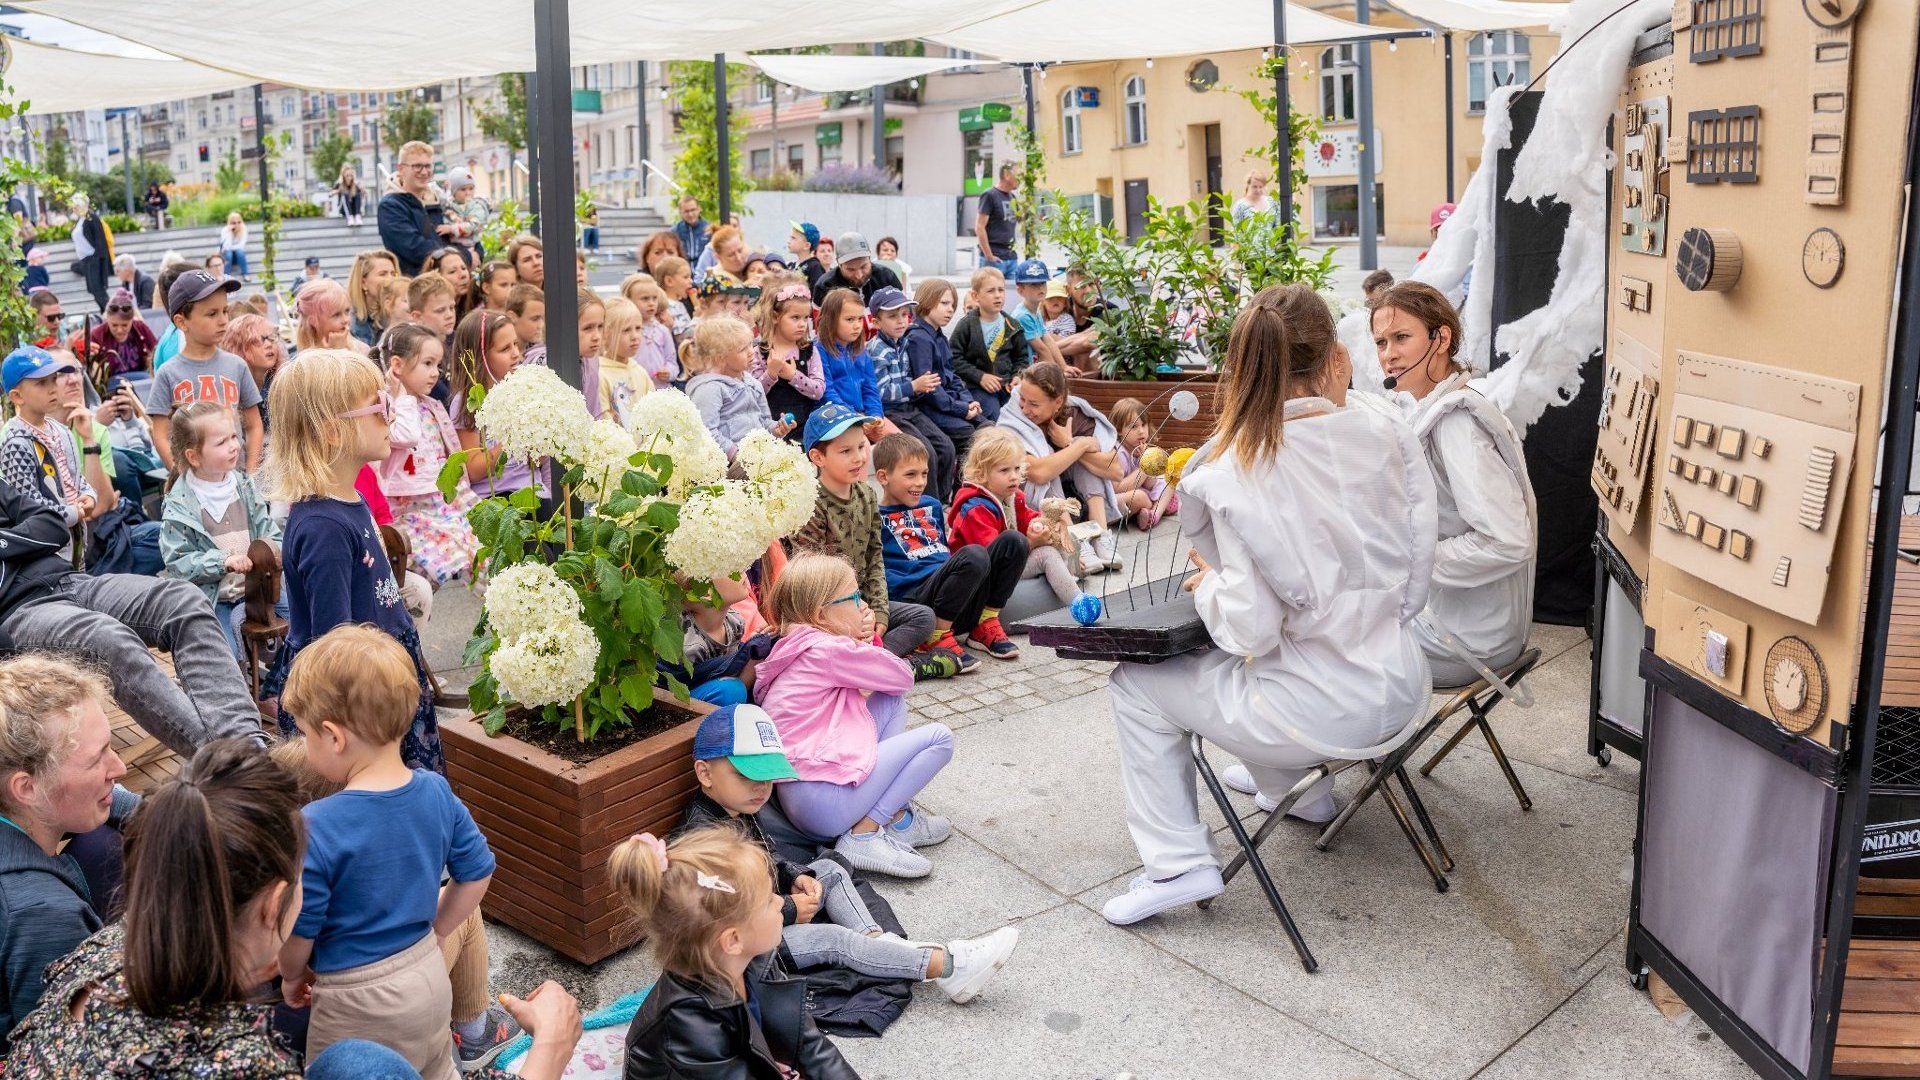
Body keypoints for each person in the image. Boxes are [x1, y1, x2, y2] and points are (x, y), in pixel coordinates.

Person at [1099, 283, 1439, 925]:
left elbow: (1249, 631)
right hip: (1400, 686)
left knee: (1137, 684)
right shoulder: (1385, 429)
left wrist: (1212, 584)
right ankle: (1299, 795)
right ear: (1336, 354)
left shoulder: (1238, 471)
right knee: (1263, 663)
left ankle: (1176, 863)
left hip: (1319, 714)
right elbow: (1416, 577)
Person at [4, 739, 585, 1080]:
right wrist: (549, 1054)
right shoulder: (243, 1063)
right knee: (361, 1064)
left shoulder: (100, 956)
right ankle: (480, 1036)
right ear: (277, 902)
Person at [675, 705, 1019, 1003]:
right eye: (748, 775)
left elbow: (767, 857)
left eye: (768, 777)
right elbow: (722, 914)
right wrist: (791, 909)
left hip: (767, 906)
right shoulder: (705, 841)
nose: (760, 787)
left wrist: (794, 875)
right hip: (748, 946)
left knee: (829, 869)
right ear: (704, 773)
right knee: (837, 940)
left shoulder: (737, 805)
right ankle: (949, 968)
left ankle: (877, 942)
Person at [277, 626, 503, 1077]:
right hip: (427, 979)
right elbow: (478, 871)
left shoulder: (317, 823)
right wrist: (438, 930)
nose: (304, 744)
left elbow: (301, 925)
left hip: (355, 1001)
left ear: (333, 736)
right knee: (436, 1065)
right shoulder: (436, 791)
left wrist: (290, 974)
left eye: (305, 734)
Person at [0, 421, 267, 757]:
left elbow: (52, 525)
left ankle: (247, 746)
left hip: (68, 581)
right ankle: (234, 765)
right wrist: (22, 540)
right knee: (106, 639)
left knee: (182, 599)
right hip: (16, 616)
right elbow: (42, 527)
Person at [263, 348, 446, 774]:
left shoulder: (351, 500)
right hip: (357, 703)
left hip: (378, 679)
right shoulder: (324, 527)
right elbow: (335, 650)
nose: (391, 418)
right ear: (331, 432)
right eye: (380, 407)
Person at [1370, 280, 1535, 687]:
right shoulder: (1435, 409)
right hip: (1452, 620)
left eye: (1401, 338)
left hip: (1468, 642)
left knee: (1315, 637)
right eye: (1380, 342)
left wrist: (1410, 562)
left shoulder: (1458, 423)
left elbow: (1508, 541)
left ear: (1440, 338)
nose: (1389, 354)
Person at [756, 553, 953, 878]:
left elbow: (891, 687)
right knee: (940, 739)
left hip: (804, 797)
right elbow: (902, 674)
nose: (863, 606)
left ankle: (896, 819)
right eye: (854, 597)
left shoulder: (796, 643)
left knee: (891, 701)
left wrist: (854, 637)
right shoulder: (827, 649)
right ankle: (866, 831)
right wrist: (862, 638)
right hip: (824, 801)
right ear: (821, 614)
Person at [612, 826, 861, 1079]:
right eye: (767, 900)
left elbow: (809, 1044)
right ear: (733, 940)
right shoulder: (687, 1019)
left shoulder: (756, 958)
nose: (780, 901)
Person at [0, 655, 137, 1053]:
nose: (121, 766)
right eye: (98, 758)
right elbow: (59, 1056)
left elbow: (123, 802)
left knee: (101, 839)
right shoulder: (43, 915)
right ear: (26, 788)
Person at [790, 403, 950, 676]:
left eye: (861, 447)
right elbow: (811, 576)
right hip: (828, 607)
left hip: (863, 603)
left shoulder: (866, 495)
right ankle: (881, 665)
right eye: (845, 451)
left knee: (923, 618)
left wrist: (879, 610)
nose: (859, 458)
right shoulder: (809, 503)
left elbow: (875, 557)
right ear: (818, 457)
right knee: (834, 637)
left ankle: (871, 663)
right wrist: (853, 610)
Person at [875, 432, 1027, 662]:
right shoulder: (875, 517)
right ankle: (935, 637)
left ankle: (983, 623)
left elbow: (940, 552)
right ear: (883, 477)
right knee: (974, 554)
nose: (920, 482)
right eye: (910, 475)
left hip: (952, 600)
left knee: (1014, 541)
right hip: (918, 605)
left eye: (924, 474)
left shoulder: (933, 505)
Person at [158, 400, 287, 663]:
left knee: (300, 625)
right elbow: (178, 561)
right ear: (193, 456)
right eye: (221, 443)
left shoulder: (243, 485)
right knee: (225, 654)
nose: (234, 446)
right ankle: (234, 694)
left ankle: (272, 689)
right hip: (214, 598)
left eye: (233, 437)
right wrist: (222, 562)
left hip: (256, 590)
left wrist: (277, 551)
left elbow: (267, 530)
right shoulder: (180, 504)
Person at [379, 323, 479, 588]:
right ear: (397, 365)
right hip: (409, 504)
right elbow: (406, 436)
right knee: (438, 559)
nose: (435, 373)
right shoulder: (388, 405)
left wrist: (460, 483)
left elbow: (450, 448)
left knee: (476, 549)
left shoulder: (431, 404)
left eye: (438, 365)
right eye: (427, 363)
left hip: (441, 498)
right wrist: (400, 396)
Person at [998, 360, 1124, 572]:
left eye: (1034, 404)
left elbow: (1114, 470)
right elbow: (1037, 472)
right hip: (1038, 507)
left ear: (1057, 402)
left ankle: (1100, 534)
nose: (1026, 409)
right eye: (1023, 399)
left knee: (1087, 463)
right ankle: (1074, 541)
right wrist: (1080, 444)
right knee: (1052, 462)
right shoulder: (1014, 416)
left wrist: (1068, 443)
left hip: (1078, 500)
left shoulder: (1074, 412)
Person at [145, 270, 264, 474]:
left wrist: (251, 475)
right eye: (211, 314)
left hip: (236, 482)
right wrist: (179, 474)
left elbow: (254, 425)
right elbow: (160, 434)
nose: (223, 320)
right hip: (193, 488)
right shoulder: (168, 373)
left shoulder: (237, 366)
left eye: (225, 311)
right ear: (182, 322)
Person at [948, 427, 1083, 606]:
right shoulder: (976, 509)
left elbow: (1028, 518)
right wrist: (1032, 543)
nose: (1014, 477)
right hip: (982, 577)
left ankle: (1069, 578)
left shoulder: (1013, 496)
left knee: (1063, 539)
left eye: (1017, 468)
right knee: (1046, 554)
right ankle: (1079, 605)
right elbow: (992, 557)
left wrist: (1045, 526)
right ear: (982, 474)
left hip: (1008, 563)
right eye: (1004, 471)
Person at [866, 287, 956, 503]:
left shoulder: (904, 342)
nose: (900, 321)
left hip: (910, 409)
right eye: (892, 316)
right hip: (892, 412)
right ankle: (927, 504)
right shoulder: (877, 350)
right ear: (876, 322)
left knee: (946, 447)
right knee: (925, 452)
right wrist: (914, 386)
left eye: (904, 315)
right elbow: (882, 392)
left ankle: (942, 501)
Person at [449, 309, 545, 508]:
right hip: (492, 498)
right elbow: (473, 471)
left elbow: (535, 462)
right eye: (504, 349)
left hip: (532, 489)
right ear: (479, 357)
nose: (516, 354)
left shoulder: (521, 390)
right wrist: (511, 437)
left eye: (516, 344)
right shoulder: (469, 401)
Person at [901, 278, 984, 499]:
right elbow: (930, 389)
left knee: (988, 428)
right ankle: (955, 497)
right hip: (930, 407)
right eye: (945, 303)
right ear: (927, 302)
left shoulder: (938, 336)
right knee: (971, 437)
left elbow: (952, 375)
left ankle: (967, 495)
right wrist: (960, 409)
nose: (950, 310)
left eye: (952, 305)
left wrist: (968, 402)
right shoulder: (919, 337)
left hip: (949, 403)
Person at [686, 316, 794, 459]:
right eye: (743, 349)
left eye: (751, 344)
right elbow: (705, 431)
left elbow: (763, 421)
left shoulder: (753, 384)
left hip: (758, 456)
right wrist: (735, 454)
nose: (751, 351)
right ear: (720, 357)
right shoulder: (709, 389)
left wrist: (776, 429)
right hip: (730, 466)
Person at [948, 266, 1029, 422]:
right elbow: (954, 358)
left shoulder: (1013, 326)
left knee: (1020, 417)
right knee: (994, 418)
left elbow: (1021, 358)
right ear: (975, 295)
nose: (997, 296)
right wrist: (980, 377)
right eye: (991, 291)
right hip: (977, 388)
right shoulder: (967, 325)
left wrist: (1018, 376)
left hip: (1007, 388)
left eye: (1001, 290)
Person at [752, 278, 824, 442]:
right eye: (795, 318)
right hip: (772, 432)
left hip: (806, 432)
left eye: (805, 318)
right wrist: (770, 374)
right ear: (776, 316)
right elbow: (754, 395)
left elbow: (818, 391)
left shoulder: (810, 351)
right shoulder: (760, 352)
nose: (802, 324)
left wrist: (792, 375)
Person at [814, 287, 889, 430]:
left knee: (897, 442)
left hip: (863, 415)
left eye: (860, 319)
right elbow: (827, 393)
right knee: (865, 448)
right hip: (835, 420)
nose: (857, 325)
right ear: (830, 320)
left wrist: (875, 415)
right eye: (850, 319)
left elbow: (870, 388)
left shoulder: (861, 351)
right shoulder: (819, 351)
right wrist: (854, 417)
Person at [379, 141, 450, 276]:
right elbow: (413, 248)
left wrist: (471, 254)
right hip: (415, 286)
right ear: (401, 169)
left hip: (445, 281)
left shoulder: (437, 199)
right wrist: (454, 258)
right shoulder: (391, 206)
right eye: (417, 166)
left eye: (428, 166)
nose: (424, 172)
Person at [1108, 397, 1179, 530]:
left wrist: (1148, 461)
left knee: (1170, 479)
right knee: (1139, 497)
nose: (1141, 431)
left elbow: (1150, 484)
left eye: (1143, 424)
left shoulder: (1142, 449)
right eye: (1133, 426)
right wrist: (1145, 467)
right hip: (1118, 496)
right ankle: (1161, 505)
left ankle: (1154, 515)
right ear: (1119, 430)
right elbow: (1118, 488)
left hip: (1140, 491)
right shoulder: (1118, 453)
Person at [594, 297, 651, 427]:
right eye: (626, 330)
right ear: (606, 334)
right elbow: (602, 420)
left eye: (638, 328)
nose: (635, 336)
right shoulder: (599, 373)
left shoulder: (640, 371)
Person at [811, 232, 902, 307]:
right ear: (839, 264)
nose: (859, 275)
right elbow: (820, 326)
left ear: (869, 258)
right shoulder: (825, 286)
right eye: (851, 270)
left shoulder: (887, 277)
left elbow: (905, 315)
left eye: (863, 267)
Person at [84, 288, 157, 381]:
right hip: (111, 382)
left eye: (125, 325)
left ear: (132, 320)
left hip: (142, 378)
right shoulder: (97, 334)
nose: (119, 330)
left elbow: (156, 350)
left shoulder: (140, 327)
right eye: (114, 325)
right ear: (107, 319)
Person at [1006, 258, 1065, 369]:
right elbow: (1043, 350)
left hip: (1033, 367)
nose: (1040, 287)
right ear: (1020, 290)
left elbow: (1048, 340)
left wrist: (1064, 367)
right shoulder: (1022, 315)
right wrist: (1059, 374)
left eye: (1043, 283)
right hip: (1020, 372)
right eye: (1033, 284)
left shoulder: (1036, 311)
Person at [624, 275, 679, 387]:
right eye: (645, 299)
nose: (651, 303)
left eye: (654, 298)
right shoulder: (624, 330)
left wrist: (669, 372)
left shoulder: (662, 330)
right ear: (629, 300)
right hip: (634, 389)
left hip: (660, 391)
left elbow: (672, 361)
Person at [295, 278, 370, 357]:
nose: (346, 320)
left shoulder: (361, 350)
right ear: (313, 321)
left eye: (347, 311)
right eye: (336, 315)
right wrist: (337, 353)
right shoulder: (305, 360)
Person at [347, 249, 400, 347]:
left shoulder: (402, 316)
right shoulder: (347, 322)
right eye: (383, 274)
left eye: (393, 274)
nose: (391, 279)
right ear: (363, 283)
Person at [975, 162, 1020, 273]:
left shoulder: (1012, 197)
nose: (1020, 179)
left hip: (1011, 258)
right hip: (994, 258)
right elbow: (979, 227)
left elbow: (1020, 219)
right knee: (989, 289)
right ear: (1006, 175)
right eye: (1018, 175)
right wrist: (989, 256)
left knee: (1012, 291)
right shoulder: (989, 195)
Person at [70, 195, 113, 312]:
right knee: (94, 291)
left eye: (76, 205)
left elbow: (100, 241)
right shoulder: (81, 220)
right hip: (86, 260)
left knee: (98, 290)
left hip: (94, 259)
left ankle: (112, 313)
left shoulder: (91, 218)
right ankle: (106, 313)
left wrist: (98, 258)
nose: (74, 208)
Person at [442, 168, 490, 261]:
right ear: (454, 192)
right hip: (454, 245)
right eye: (463, 189)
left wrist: (451, 229)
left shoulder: (476, 206)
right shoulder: (450, 206)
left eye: (471, 188)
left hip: (471, 245)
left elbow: (474, 225)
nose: (468, 193)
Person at [504, 283, 546, 369]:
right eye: (535, 319)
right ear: (512, 317)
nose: (541, 325)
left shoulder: (544, 354)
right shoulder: (502, 357)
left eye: (543, 318)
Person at [431, 247, 478, 318]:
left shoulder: (477, 303)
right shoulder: (431, 314)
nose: (463, 275)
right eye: (452, 271)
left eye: (463, 268)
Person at [673, 194, 712, 267]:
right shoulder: (675, 231)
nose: (690, 214)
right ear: (680, 212)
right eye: (686, 211)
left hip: (705, 271)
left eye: (693, 210)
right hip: (682, 271)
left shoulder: (709, 228)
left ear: (699, 209)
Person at [789, 220, 826, 288]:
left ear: (806, 245)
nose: (789, 241)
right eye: (790, 237)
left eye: (793, 238)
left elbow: (817, 292)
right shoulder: (791, 265)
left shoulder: (814, 267)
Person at [219, 212, 251, 281]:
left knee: (240, 252)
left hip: (238, 257)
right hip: (227, 257)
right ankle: (226, 276)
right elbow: (226, 247)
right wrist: (230, 232)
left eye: (239, 222)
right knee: (229, 253)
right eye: (234, 223)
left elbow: (241, 246)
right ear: (230, 223)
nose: (237, 224)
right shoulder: (225, 230)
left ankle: (246, 274)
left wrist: (233, 248)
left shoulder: (243, 229)